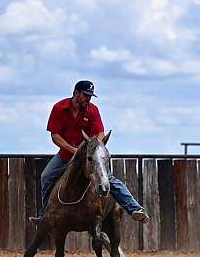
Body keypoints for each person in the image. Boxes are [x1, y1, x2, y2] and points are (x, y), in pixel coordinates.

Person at [31, 80, 149, 224]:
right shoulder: (59, 108)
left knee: (109, 180)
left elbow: (100, 133)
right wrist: (74, 151)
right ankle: (45, 214)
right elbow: (55, 136)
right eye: (86, 95)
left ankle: (135, 209)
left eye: (90, 95)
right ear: (76, 93)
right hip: (66, 156)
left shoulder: (93, 110)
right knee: (46, 176)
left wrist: (94, 148)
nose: (89, 98)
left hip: (90, 157)